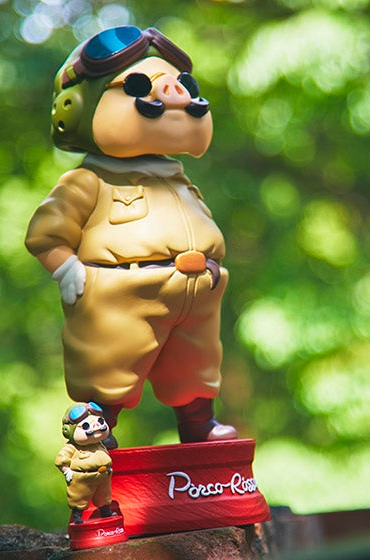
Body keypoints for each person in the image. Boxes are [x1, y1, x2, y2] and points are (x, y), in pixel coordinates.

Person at [26, 26, 237, 448]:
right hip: (123, 293)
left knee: (194, 367)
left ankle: (199, 426)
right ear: (76, 109)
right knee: (108, 366)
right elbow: (45, 233)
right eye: (138, 86)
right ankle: (96, 432)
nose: (175, 94)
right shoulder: (89, 181)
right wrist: (67, 270)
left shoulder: (177, 178)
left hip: (196, 292)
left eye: (183, 85)